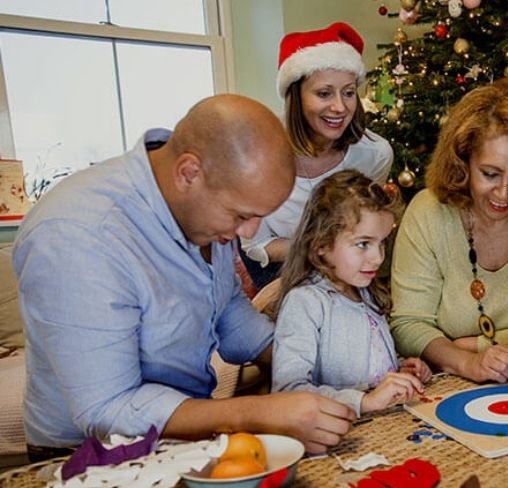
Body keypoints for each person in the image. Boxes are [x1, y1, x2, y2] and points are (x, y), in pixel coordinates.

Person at [13, 94, 357, 460]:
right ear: (188, 173)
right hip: (84, 454)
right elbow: (108, 408)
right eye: (241, 215)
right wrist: (259, 413)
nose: (248, 232)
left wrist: (319, 364)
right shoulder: (77, 234)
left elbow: (228, 312)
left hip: (180, 437)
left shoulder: (206, 209)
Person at [390, 79, 508, 384]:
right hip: (450, 383)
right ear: (463, 161)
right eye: (490, 174)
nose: (503, 193)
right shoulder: (428, 212)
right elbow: (408, 325)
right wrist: (468, 362)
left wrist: (474, 345)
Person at [240, 22, 393, 288]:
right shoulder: (256, 156)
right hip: (279, 266)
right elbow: (257, 246)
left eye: (348, 93)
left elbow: (365, 228)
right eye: (324, 93)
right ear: (295, 96)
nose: (339, 107)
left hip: (344, 265)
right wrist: (323, 250)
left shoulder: (374, 155)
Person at [271, 170, 432, 415]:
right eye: (363, 244)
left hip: (384, 429)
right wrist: (363, 402)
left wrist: (398, 371)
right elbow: (288, 392)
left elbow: (362, 368)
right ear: (322, 244)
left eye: (382, 243)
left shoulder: (365, 293)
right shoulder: (305, 303)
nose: (378, 257)